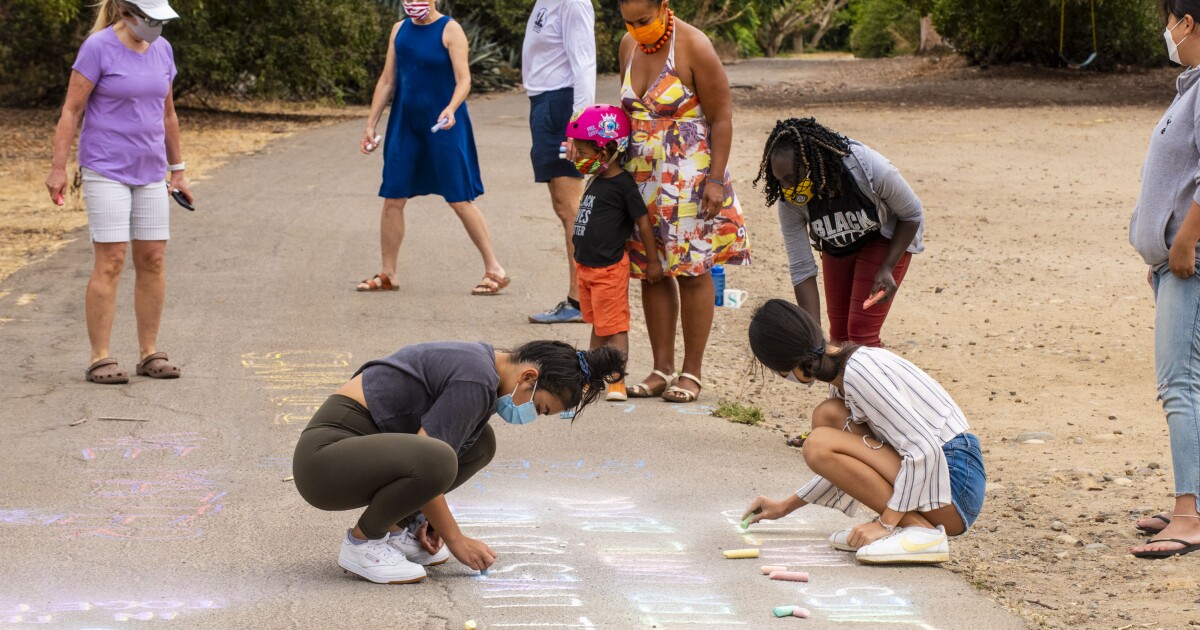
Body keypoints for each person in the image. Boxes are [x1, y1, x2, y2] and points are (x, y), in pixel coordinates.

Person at [293, 340, 625, 584]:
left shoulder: (484, 371)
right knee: (438, 457)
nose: (531, 416)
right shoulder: (475, 379)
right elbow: (429, 456)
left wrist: (424, 518)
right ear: (528, 377)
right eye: (539, 407)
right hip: (323, 464)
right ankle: (362, 543)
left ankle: (394, 530)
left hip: (354, 456)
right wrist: (455, 538)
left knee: (480, 443)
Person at [740, 299, 985, 565]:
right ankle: (909, 525)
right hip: (939, 477)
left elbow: (924, 448)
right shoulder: (842, 374)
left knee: (817, 443)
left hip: (956, 487)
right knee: (828, 415)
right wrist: (785, 506)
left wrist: (884, 524)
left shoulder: (860, 372)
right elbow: (847, 465)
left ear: (784, 364)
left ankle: (921, 531)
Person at [45, 0, 189, 384]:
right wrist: (59, 167)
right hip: (106, 168)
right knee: (111, 260)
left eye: (161, 19)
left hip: (151, 172)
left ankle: (148, 353)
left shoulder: (163, 49)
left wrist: (179, 171)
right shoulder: (98, 48)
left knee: (153, 258)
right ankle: (100, 357)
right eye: (151, 18)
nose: (157, 25)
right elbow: (71, 111)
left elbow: (168, 113)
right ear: (127, 12)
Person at [616, 0, 751, 403]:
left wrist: (715, 181)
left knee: (692, 271)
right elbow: (626, 114)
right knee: (650, 271)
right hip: (641, 177)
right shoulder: (628, 45)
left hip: (690, 178)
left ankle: (691, 373)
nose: (637, 28)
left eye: (644, 20)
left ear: (663, 7)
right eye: (629, 21)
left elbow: (721, 117)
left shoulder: (694, 45)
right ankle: (661, 368)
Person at [359, 1, 510, 296]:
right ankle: (388, 273)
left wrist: (452, 108)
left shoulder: (450, 30)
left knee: (459, 197)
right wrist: (370, 123)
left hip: (444, 124)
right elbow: (387, 80)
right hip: (405, 124)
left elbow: (464, 80)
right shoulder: (399, 30)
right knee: (393, 195)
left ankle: (495, 269)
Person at [1127, 0, 1200, 560]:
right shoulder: (1189, 87)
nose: (1165, 30)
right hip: (1169, 265)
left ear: (1187, 23)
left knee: (1178, 385)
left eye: (1168, 19)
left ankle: (1189, 515)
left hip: (1187, 265)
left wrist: (1183, 240)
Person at [755, 118, 924, 348]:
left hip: (884, 241)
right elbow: (802, 268)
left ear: (811, 164)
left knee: (861, 337)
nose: (787, 188)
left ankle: (876, 383)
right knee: (839, 339)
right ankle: (843, 384)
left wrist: (887, 267)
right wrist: (813, 339)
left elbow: (912, 213)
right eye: (780, 181)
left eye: (791, 178)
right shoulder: (790, 201)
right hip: (839, 246)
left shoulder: (867, 168)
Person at [565, 105, 663, 402]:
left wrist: (653, 260)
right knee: (599, 326)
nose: (579, 160)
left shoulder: (622, 185)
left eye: (583, 153)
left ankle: (616, 381)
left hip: (608, 269)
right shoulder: (596, 180)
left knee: (615, 328)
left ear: (606, 150)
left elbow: (643, 221)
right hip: (587, 268)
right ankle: (591, 377)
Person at [524, 0, 598, 324]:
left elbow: (584, 64)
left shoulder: (572, 2)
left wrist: (580, 127)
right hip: (545, 102)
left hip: (560, 104)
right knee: (563, 204)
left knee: (571, 206)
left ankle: (580, 299)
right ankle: (581, 297)